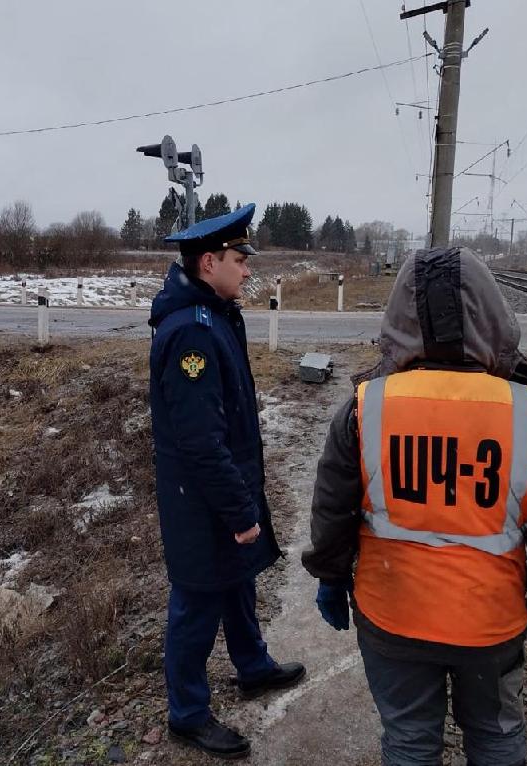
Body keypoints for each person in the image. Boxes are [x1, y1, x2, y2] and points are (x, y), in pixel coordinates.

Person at [302, 247, 527, 766]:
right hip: (490, 622)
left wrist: (329, 576)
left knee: (409, 737)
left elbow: (332, 509)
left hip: (392, 616)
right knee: (496, 733)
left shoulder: (367, 408)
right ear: (494, 317)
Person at [148, 203, 305, 760]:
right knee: (196, 602)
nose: (247, 270)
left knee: (239, 579)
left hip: (223, 487)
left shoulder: (215, 311)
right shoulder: (191, 333)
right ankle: (186, 713)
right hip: (202, 500)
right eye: (240, 259)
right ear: (209, 261)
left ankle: (253, 665)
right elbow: (199, 442)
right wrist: (239, 512)